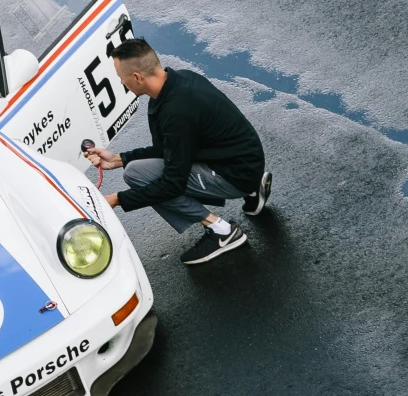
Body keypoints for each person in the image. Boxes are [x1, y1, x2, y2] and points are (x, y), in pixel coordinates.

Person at [82, 36, 270, 266]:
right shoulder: (179, 81)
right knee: (132, 168)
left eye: (122, 78)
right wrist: (118, 159)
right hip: (244, 158)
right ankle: (251, 189)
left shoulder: (177, 112)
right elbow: (167, 149)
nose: (122, 83)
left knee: (137, 175)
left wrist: (117, 200)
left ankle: (223, 232)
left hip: (236, 172)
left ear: (138, 77)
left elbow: (172, 183)